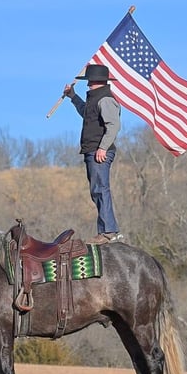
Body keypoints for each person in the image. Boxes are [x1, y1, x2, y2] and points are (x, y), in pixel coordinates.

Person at [63, 64, 124, 245]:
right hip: (92, 151)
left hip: (99, 151)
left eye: (89, 81)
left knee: (100, 189)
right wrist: (73, 97)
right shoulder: (95, 99)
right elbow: (86, 112)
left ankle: (108, 231)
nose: (88, 84)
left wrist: (103, 148)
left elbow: (114, 126)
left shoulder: (105, 99)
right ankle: (106, 230)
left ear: (95, 81)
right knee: (96, 190)